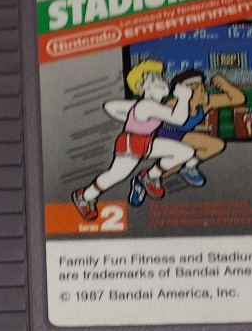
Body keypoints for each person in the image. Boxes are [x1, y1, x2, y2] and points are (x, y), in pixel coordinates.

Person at [72, 60, 196, 220]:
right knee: (116, 175)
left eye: (161, 78)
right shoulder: (147, 106)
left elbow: (110, 106)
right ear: (143, 86)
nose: (162, 83)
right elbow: (178, 120)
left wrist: (130, 118)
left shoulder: (145, 104)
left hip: (145, 142)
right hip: (132, 145)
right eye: (155, 81)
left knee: (186, 152)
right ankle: (85, 196)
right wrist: (184, 98)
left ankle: (150, 176)